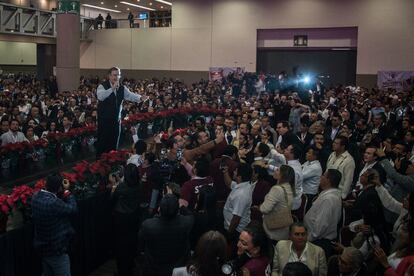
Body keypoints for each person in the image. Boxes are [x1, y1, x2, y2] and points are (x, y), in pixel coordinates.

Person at [31, 173, 78, 276]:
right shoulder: (53, 203)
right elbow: (72, 209)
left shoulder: (35, 197)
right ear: (59, 188)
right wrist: (67, 191)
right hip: (57, 250)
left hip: (43, 248)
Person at [96, 67, 147, 156]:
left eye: (118, 75)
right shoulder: (102, 86)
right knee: (103, 143)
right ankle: (100, 163)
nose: (116, 77)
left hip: (116, 121)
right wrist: (112, 89)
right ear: (109, 76)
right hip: (104, 120)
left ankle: (111, 162)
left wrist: (140, 98)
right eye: (114, 75)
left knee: (114, 142)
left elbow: (130, 95)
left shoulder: (122, 88)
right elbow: (100, 96)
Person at [139, 194, 193, 276]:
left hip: (154, 269)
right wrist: (181, 206)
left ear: (159, 209)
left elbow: (140, 245)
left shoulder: (148, 225)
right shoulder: (186, 223)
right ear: (177, 211)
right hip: (177, 267)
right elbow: (190, 215)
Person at [110, 164, 142, 276]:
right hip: (134, 216)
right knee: (132, 242)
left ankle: (123, 271)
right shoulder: (139, 185)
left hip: (121, 218)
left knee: (121, 245)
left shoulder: (122, 187)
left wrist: (114, 185)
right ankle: (131, 265)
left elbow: (112, 199)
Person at [304, 169, 342, 258]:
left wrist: (308, 240)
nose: (320, 177)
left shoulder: (328, 199)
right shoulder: (330, 195)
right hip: (317, 239)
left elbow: (321, 225)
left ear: (328, 180)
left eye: (323, 175)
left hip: (319, 242)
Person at [259, 165, 295, 242]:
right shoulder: (289, 187)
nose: (275, 171)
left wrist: (259, 206)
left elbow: (264, 209)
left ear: (283, 175)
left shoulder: (277, 189)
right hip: (284, 230)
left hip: (272, 230)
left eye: (278, 170)